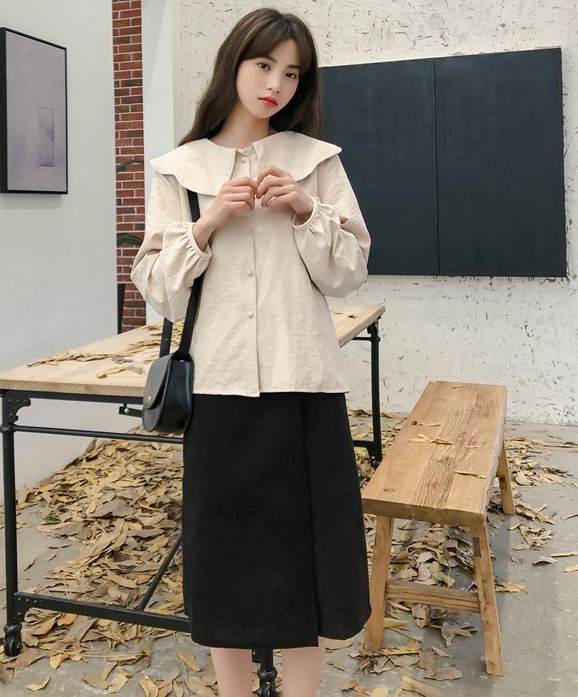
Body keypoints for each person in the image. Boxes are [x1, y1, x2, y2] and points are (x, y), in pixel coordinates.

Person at [130, 7, 373, 697]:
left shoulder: (317, 163)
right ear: (233, 64)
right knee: (225, 560)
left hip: (305, 386)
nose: (276, 85)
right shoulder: (180, 172)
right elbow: (158, 288)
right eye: (265, 65)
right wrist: (209, 222)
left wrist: (305, 208)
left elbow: (349, 271)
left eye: (291, 73)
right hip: (220, 389)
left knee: (310, 560)